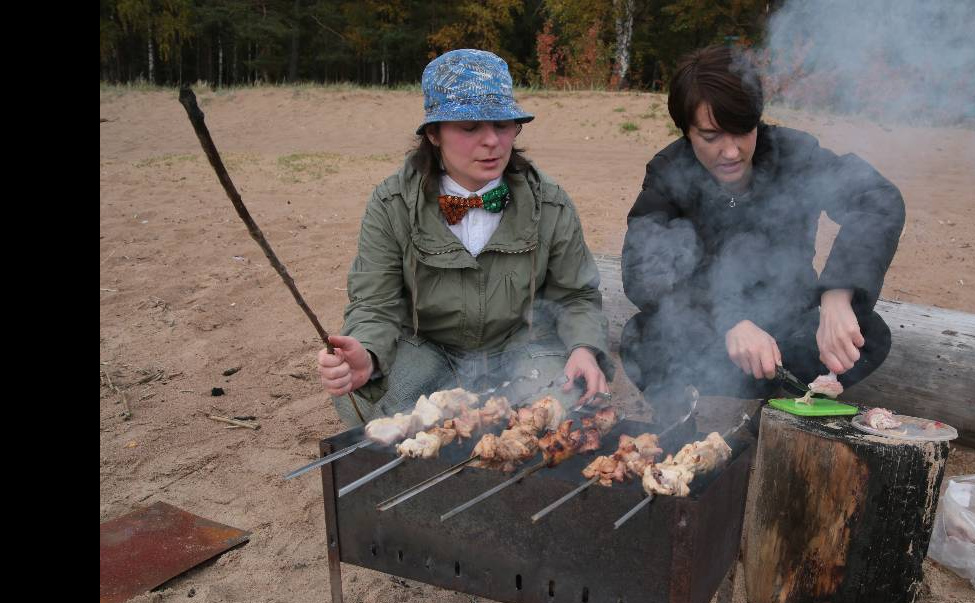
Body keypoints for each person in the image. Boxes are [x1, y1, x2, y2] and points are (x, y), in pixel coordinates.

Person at [317, 49, 611, 425]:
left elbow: (577, 295)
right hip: (430, 351)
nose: (492, 141)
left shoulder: (549, 202)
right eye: (470, 127)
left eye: (504, 125)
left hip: (522, 349)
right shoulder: (392, 203)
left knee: (566, 402)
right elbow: (374, 303)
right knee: (363, 400)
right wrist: (368, 354)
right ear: (434, 134)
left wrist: (584, 348)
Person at [619, 45, 904, 427]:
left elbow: (877, 199)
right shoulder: (670, 172)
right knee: (641, 336)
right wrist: (728, 320)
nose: (731, 151)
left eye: (742, 130)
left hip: (787, 332)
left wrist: (837, 295)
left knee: (869, 332)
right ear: (686, 131)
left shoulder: (795, 153)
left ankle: (783, 412)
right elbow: (642, 269)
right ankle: (680, 427)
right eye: (711, 135)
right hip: (710, 337)